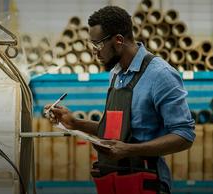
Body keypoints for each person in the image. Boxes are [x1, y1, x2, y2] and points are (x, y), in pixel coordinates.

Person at [44, 5, 195, 194]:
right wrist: (74, 123)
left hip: (146, 181)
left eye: (98, 45)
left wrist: (130, 150)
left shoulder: (160, 75)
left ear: (118, 40)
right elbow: (116, 132)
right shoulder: (116, 74)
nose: (94, 52)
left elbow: (184, 136)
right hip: (115, 180)